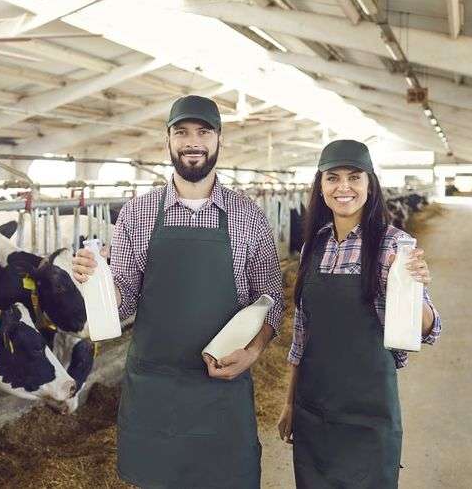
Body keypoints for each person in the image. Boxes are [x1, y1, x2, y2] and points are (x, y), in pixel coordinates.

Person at [72, 95, 285, 488]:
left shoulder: (248, 216)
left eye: (203, 132)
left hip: (222, 390)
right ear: (168, 140)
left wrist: (252, 353)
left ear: (219, 140)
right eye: (182, 132)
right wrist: (96, 281)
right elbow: (123, 301)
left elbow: (272, 299)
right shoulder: (137, 214)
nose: (193, 142)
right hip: (156, 392)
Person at [276, 140, 442, 488]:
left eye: (354, 177)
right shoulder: (312, 246)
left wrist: (414, 290)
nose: (344, 188)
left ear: (370, 184)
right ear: (321, 187)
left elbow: (428, 329)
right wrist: (290, 404)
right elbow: (302, 336)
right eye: (332, 178)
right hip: (313, 409)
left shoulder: (393, 245)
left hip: (368, 416)